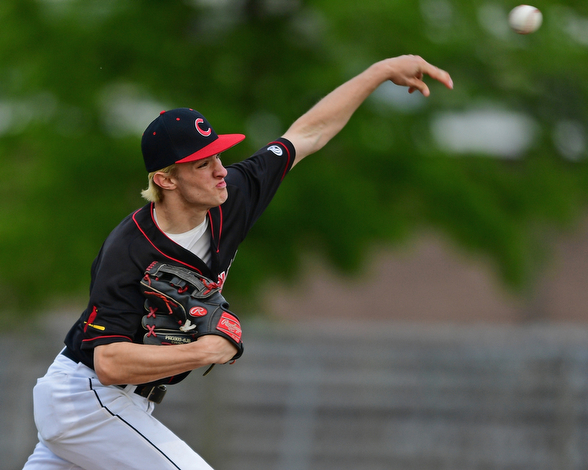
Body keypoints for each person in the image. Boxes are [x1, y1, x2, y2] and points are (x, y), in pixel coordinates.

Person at [23, 54, 453, 470]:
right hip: (89, 399)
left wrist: (378, 72)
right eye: (202, 163)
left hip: (117, 406)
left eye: (218, 156)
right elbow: (110, 363)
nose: (220, 170)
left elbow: (309, 133)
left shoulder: (234, 195)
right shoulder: (128, 250)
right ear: (165, 179)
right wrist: (203, 350)